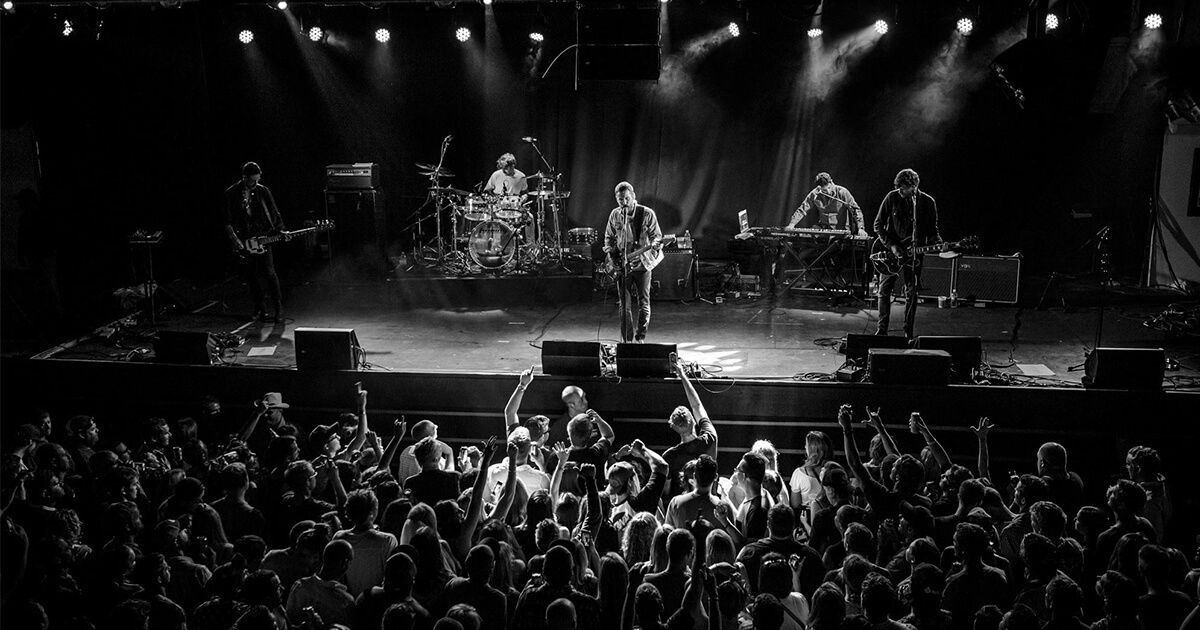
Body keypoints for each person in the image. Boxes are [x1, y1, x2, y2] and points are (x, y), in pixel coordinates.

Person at [872, 168, 942, 340]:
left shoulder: (927, 202)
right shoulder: (892, 197)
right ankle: (881, 331)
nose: (899, 191)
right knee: (884, 290)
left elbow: (933, 230)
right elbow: (878, 224)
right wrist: (892, 246)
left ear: (913, 186)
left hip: (915, 254)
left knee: (912, 292)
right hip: (892, 253)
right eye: (898, 187)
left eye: (902, 188)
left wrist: (939, 242)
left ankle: (907, 333)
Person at [224, 161, 286, 323]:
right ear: (244, 177)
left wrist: (280, 230)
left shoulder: (263, 191)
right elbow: (227, 220)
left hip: (262, 236)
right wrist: (236, 241)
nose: (255, 183)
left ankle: (278, 308)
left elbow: (274, 212)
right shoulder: (231, 193)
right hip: (244, 239)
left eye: (257, 180)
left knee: (269, 273)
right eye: (252, 180)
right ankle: (260, 308)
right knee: (251, 276)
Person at [604, 181, 663, 343]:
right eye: (620, 200)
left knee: (644, 302)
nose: (624, 202)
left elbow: (657, 236)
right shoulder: (615, 215)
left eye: (627, 198)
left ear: (633, 196)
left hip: (642, 264)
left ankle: (640, 337)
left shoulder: (647, 213)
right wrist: (610, 256)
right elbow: (608, 238)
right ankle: (627, 341)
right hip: (622, 266)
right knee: (624, 306)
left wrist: (655, 246)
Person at [784, 172, 867, 234]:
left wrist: (861, 228)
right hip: (823, 229)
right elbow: (802, 209)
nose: (827, 192)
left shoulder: (842, 192)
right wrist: (792, 224)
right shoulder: (815, 193)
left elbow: (856, 210)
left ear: (831, 182)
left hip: (840, 231)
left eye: (829, 188)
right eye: (824, 190)